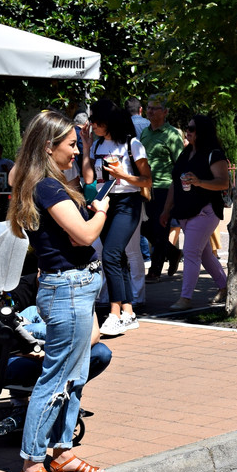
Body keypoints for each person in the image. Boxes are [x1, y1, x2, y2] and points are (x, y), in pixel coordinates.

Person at [6, 110, 111, 472]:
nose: (76, 151)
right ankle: (32, 464)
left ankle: (62, 452)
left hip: (73, 289)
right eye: (70, 145)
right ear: (49, 146)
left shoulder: (37, 180)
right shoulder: (47, 187)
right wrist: (100, 211)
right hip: (67, 290)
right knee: (55, 380)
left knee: (75, 376)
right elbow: (83, 235)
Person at [83, 99, 150, 336]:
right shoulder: (97, 144)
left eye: (95, 121)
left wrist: (123, 174)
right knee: (117, 256)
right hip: (106, 202)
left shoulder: (133, 145)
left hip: (128, 203)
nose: (91, 124)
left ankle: (114, 313)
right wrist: (86, 146)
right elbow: (89, 178)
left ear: (108, 122)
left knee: (110, 253)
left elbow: (147, 180)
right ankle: (129, 312)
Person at [162, 114, 229, 310]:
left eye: (192, 129)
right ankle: (224, 287)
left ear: (202, 132)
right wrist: (166, 210)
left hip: (205, 212)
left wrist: (199, 182)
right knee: (205, 253)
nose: (187, 132)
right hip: (185, 212)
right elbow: (175, 183)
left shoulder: (214, 154)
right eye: (187, 128)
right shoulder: (186, 152)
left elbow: (223, 182)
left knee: (191, 252)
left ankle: (185, 298)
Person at [140, 94, 184, 281]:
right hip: (145, 187)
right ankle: (173, 252)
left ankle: (155, 271)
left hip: (164, 188)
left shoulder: (172, 135)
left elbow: (180, 164)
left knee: (160, 229)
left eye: (155, 108)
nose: (150, 111)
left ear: (165, 112)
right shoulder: (145, 132)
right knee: (143, 228)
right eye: (148, 107)